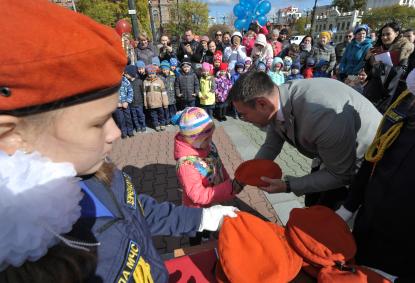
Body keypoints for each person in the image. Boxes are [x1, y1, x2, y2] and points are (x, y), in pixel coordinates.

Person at [0, 1, 239, 282]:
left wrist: (200, 219)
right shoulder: (35, 258)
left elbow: (137, 210)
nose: (114, 133)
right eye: (98, 122)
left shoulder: (98, 169)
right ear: (12, 136)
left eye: (111, 116)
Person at [228, 71, 382, 209]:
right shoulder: (276, 99)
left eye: (243, 114)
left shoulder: (322, 117)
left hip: (368, 163)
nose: (243, 120)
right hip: (332, 155)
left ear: (262, 103)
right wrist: (244, 178)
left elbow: (340, 174)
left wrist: (288, 185)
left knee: (328, 216)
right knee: (313, 203)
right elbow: (271, 145)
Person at [336, 65, 415, 282]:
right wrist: (348, 207)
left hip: (406, 251)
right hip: (368, 224)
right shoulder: (406, 101)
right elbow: (375, 154)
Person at [173, 107, 241, 245]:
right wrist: (228, 188)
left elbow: (218, 164)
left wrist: (226, 180)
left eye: (211, 136)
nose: (210, 140)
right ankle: (196, 246)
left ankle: (206, 237)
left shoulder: (207, 145)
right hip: (195, 210)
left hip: (210, 201)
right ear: (191, 138)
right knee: (196, 230)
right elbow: (197, 195)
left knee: (208, 225)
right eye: (206, 138)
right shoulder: (186, 164)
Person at [364, 22, 414, 111]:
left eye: (388, 34)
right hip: (371, 90)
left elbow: (399, 75)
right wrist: (368, 59)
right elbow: (368, 72)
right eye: (382, 35)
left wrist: (380, 66)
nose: (384, 37)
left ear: (397, 33)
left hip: (386, 97)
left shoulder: (404, 50)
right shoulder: (378, 48)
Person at [143, 65, 168, 131]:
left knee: (161, 115)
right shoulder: (145, 82)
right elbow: (145, 94)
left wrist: (165, 103)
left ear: (155, 73)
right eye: (149, 74)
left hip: (159, 103)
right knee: (153, 116)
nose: (151, 75)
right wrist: (145, 103)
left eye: (153, 73)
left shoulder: (160, 81)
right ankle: (156, 125)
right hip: (151, 104)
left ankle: (162, 124)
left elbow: (164, 93)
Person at [125, 65, 147, 133]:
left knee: (140, 115)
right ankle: (137, 127)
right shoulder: (127, 82)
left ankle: (143, 126)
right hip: (131, 103)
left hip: (139, 103)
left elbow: (143, 92)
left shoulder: (139, 82)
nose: (125, 75)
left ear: (131, 73)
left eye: (126, 73)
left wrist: (143, 101)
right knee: (134, 117)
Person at [115, 72, 134, 138]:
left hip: (125, 104)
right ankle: (123, 132)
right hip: (117, 105)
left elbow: (130, 91)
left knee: (128, 118)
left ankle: (130, 132)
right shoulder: (112, 83)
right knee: (120, 120)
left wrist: (127, 101)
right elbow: (110, 95)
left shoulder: (126, 81)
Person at [159, 61, 177, 125]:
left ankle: (173, 120)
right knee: (165, 111)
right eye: (163, 70)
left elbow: (176, 86)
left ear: (169, 69)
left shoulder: (173, 76)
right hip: (164, 97)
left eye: (166, 69)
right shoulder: (160, 77)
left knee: (172, 110)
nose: (165, 71)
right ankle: (167, 121)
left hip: (172, 96)